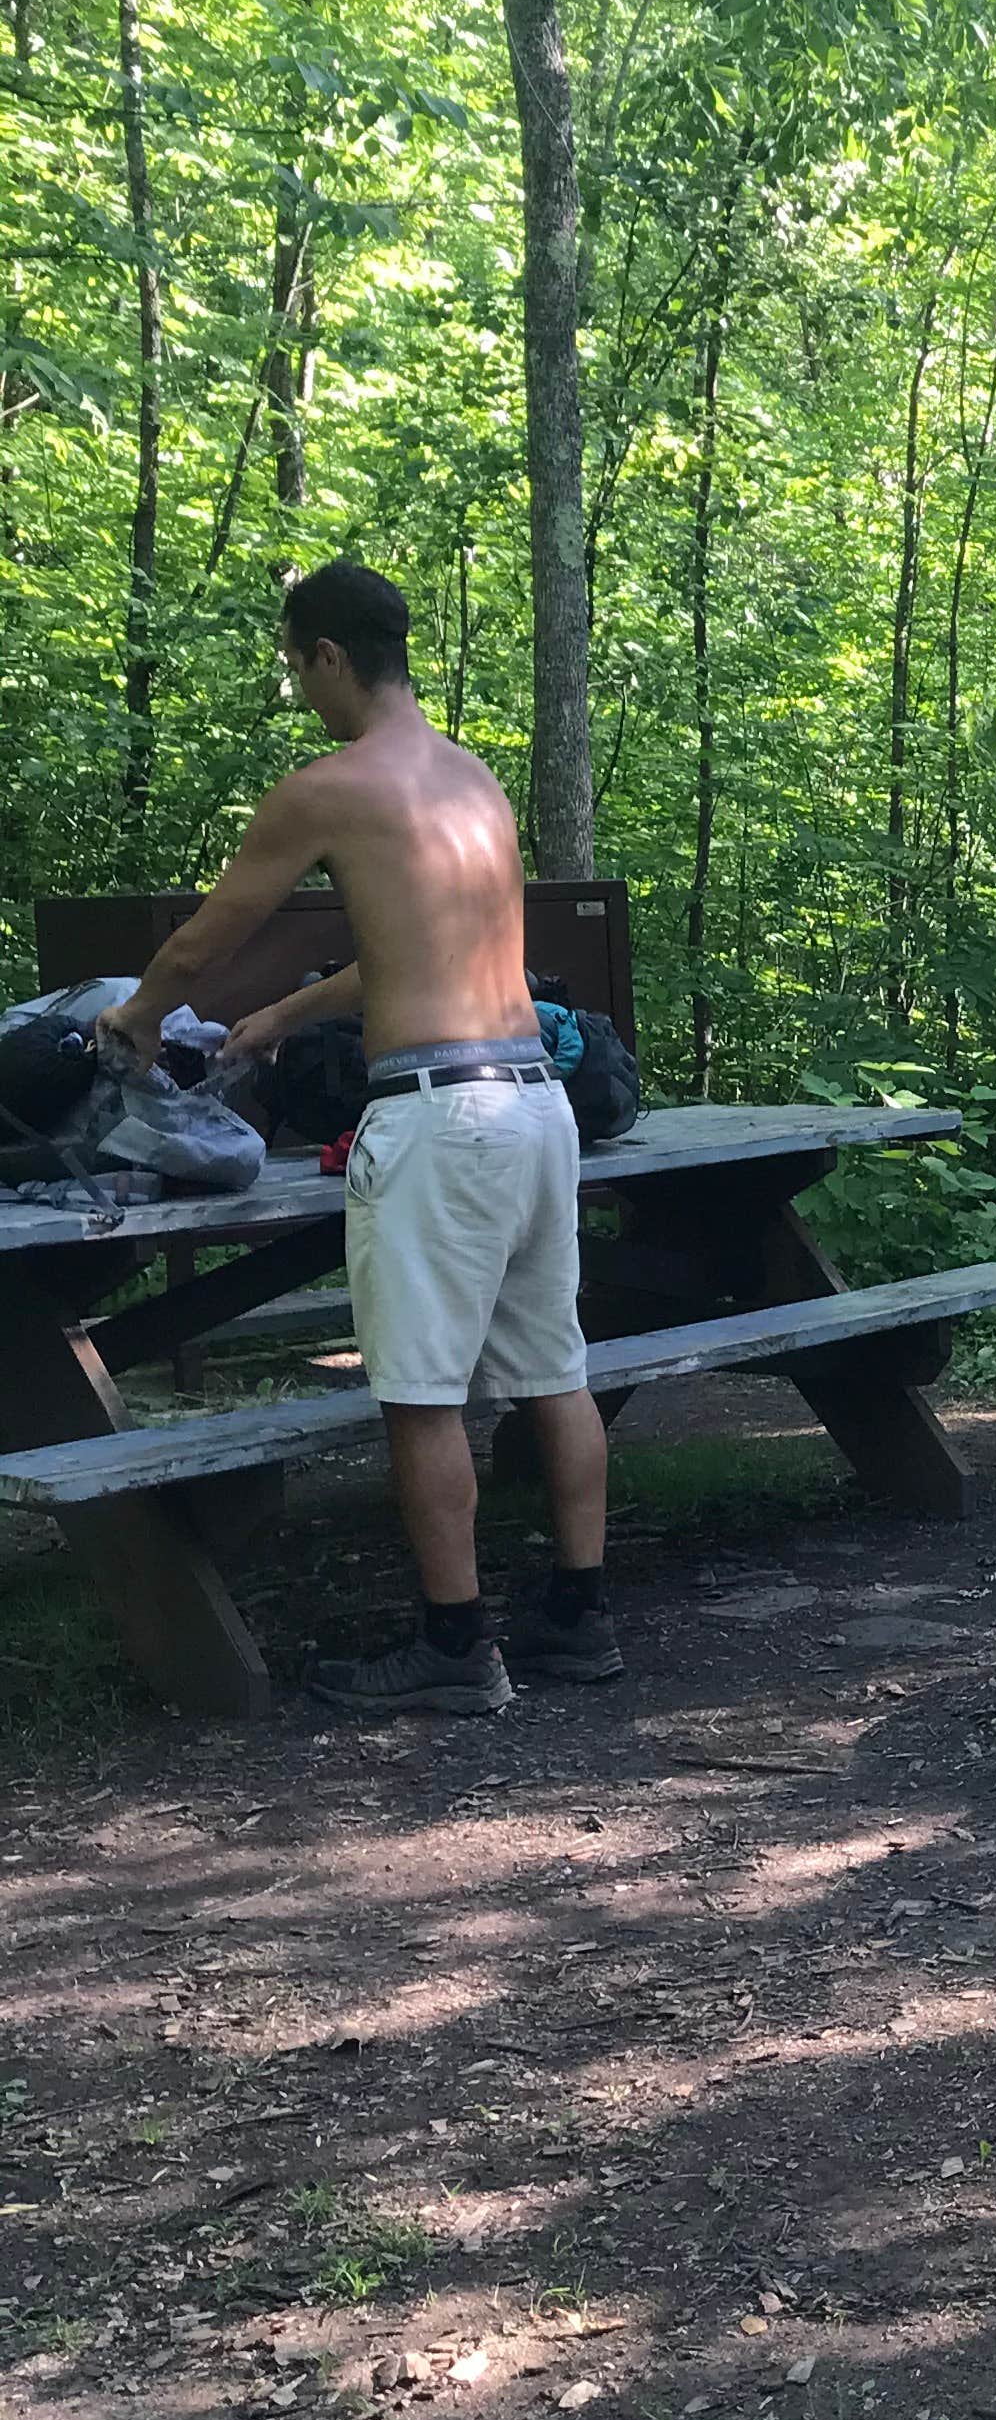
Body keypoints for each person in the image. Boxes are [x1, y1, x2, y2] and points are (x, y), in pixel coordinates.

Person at [100, 561, 620, 1714]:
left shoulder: (329, 787)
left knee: (422, 1397)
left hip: (441, 1121)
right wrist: (281, 1019)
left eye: (298, 667)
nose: (302, 689)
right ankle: (580, 1620)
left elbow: (205, 939)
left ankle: (453, 1648)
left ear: (327, 654)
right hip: (535, 1104)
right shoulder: (472, 783)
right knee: (554, 1371)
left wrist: (135, 1016)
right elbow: (421, 958)